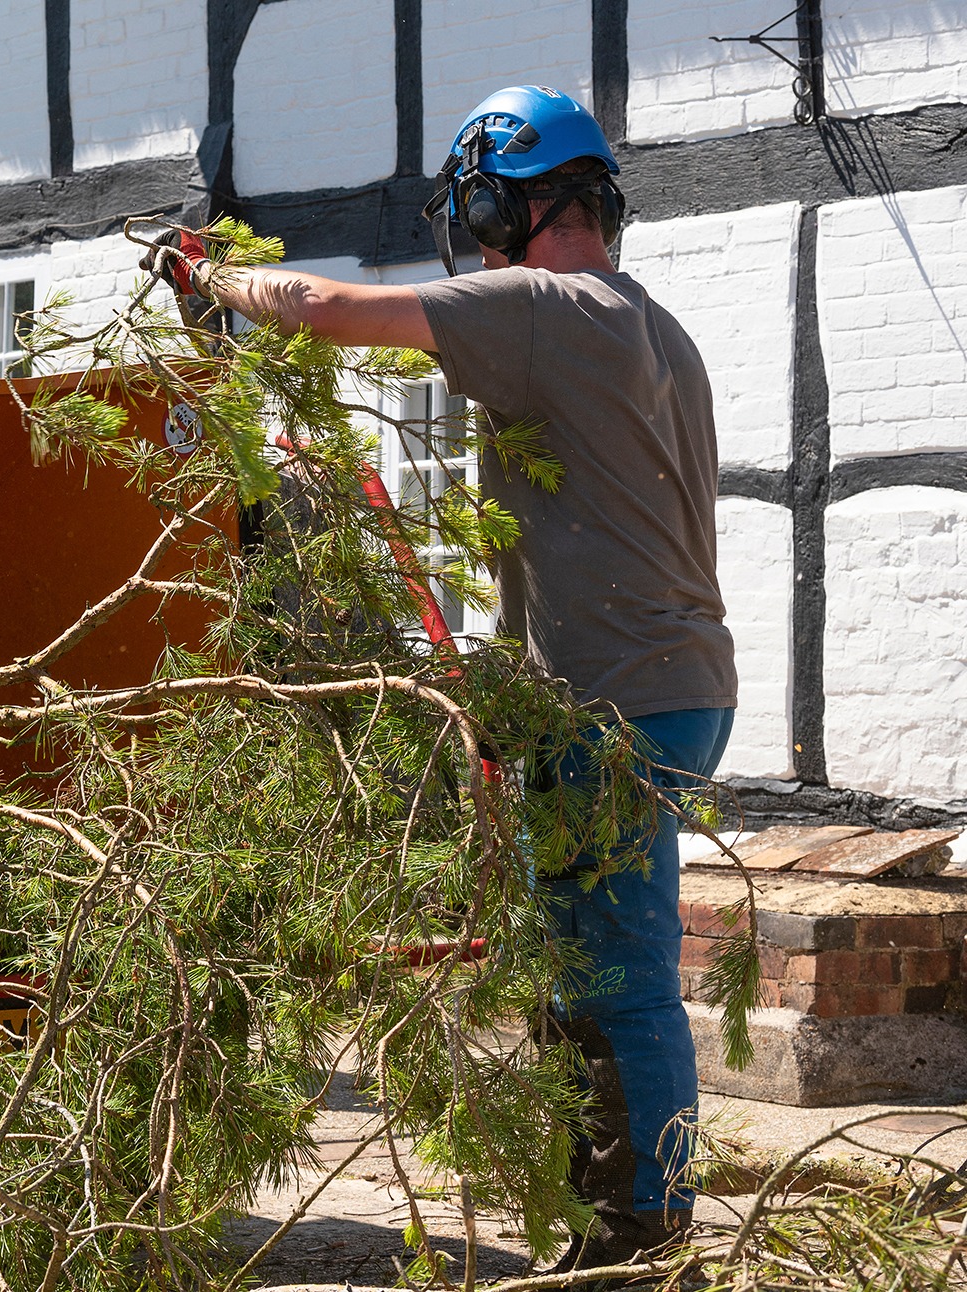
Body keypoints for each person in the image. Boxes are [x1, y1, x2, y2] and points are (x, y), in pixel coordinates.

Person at [145, 86, 737, 1277]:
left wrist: (207, 279)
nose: (471, 243)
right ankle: (603, 1207)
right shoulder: (653, 322)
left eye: (475, 215)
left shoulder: (541, 302)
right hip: (670, 679)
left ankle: (641, 1231)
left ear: (499, 202)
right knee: (579, 948)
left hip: (608, 696)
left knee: (614, 962)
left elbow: (321, 305)